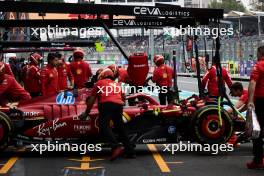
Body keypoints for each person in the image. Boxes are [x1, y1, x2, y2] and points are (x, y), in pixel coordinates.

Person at [79, 68, 135, 161]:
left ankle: (115, 146)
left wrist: (86, 113)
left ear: (101, 76)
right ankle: (130, 151)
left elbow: (92, 100)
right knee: (120, 128)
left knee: (103, 126)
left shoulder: (99, 83)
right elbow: (123, 98)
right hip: (119, 105)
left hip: (107, 105)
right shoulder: (117, 84)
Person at [247, 46, 264, 169]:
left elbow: (253, 83)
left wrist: (251, 100)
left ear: (260, 53)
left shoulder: (258, 65)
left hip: (261, 101)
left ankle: (258, 160)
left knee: (256, 131)